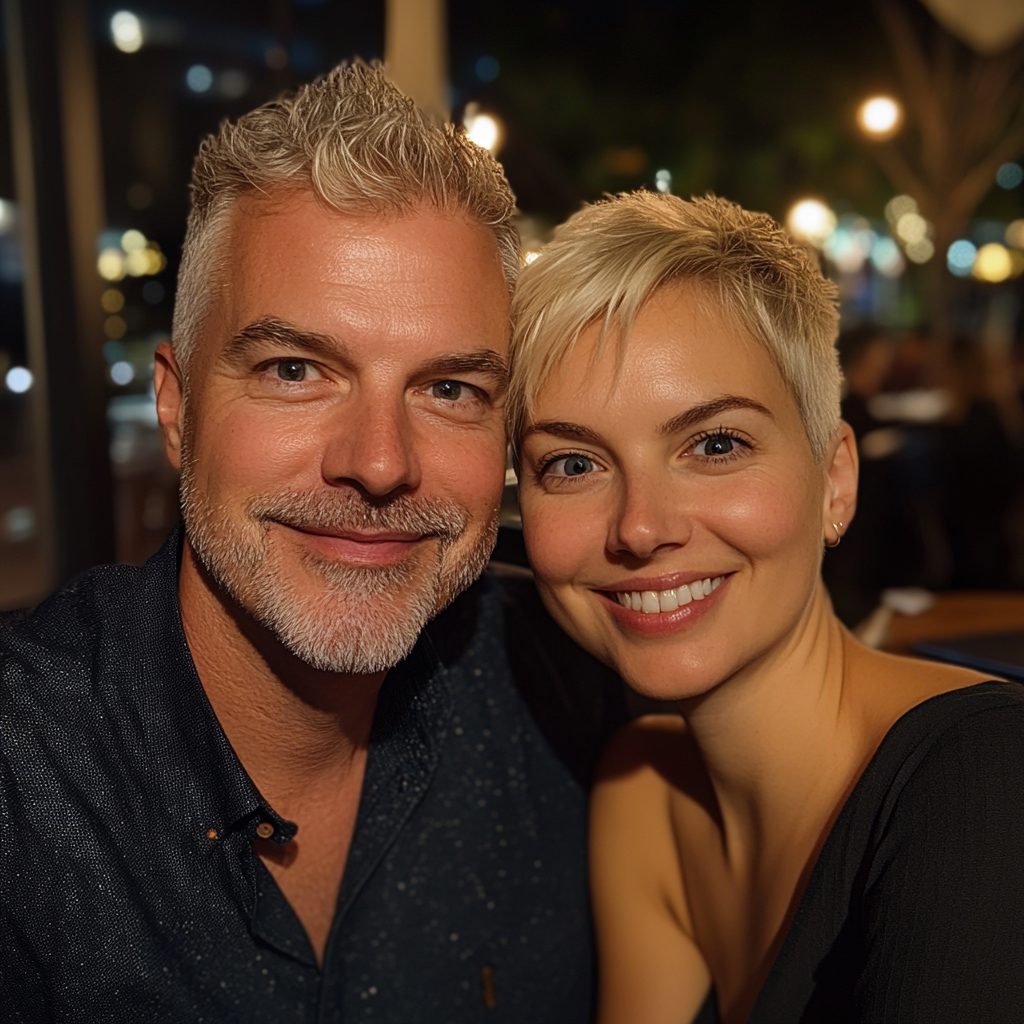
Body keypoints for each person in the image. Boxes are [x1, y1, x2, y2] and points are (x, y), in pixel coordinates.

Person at [0, 63, 625, 1023]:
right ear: (178, 407)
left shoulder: (571, 683)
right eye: (297, 369)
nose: (379, 463)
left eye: (449, 390)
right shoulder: (24, 778)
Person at [508, 191, 1024, 1023]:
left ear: (835, 480)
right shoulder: (643, 791)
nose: (640, 528)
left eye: (715, 445)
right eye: (572, 464)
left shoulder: (985, 780)